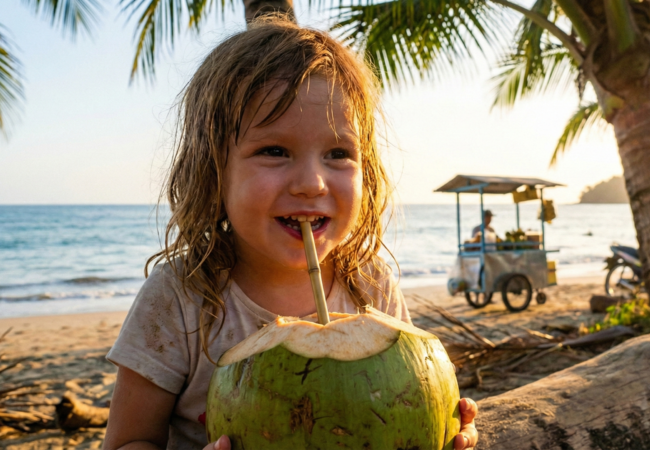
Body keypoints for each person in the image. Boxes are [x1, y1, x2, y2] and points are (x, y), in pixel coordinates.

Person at [101, 17, 479, 450]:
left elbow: (408, 396)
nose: (312, 183)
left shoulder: (370, 285)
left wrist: (442, 424)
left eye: (338, 153)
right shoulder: (180, 298)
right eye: (275, 151)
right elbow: (126, 442)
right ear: (214, 171)